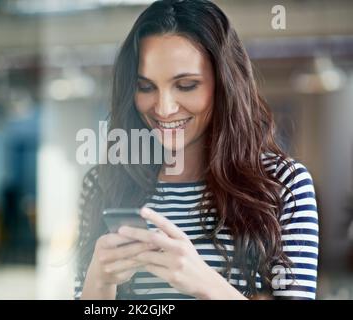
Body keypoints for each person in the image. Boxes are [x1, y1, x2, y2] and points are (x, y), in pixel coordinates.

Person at [74, 0, 318, 300]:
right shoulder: (102, 184)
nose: (163, 108)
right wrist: (99, 281)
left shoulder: (283, 184)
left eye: (186, 85)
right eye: (147, 87)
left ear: (224, 84)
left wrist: (204, 282)